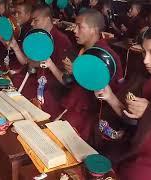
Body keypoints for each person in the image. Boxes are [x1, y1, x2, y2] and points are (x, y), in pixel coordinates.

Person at [94, 20, 151, 180]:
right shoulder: (144, 74)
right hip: (130, 146)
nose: (145, 60)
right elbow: (129, 118)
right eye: (144, 52)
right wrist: (110, 96)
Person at [45, 9, 123, 141]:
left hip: (90, 113)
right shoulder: (79, 50)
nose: (74, 30)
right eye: (75, 26)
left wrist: (81, 72)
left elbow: (109, 92)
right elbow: (69, 82)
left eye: (79, 27)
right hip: (71, 104)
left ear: (94, 29)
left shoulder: (107, 55)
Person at [7, 4, 74, 118]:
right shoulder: (37, 36)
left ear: (47, 19)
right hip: (37, 79)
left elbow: (65, 78)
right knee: (13, 87)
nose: (32, 24)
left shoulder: (61, 40)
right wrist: (15, 47)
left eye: (35, 20)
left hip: (53, 88)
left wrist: (49, 64)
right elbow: (29, 62)